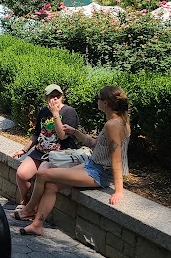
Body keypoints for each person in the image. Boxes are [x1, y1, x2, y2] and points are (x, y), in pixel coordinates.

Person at [13, 86, 130, 236]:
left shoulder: (112, 125)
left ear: (106, 103)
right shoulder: (116, 121)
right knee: (51, 186)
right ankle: (37, 225)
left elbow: (117, 159)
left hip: (99, 173)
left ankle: (28, 210)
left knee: (43, 174)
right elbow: (95, 144)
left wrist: (119, 191)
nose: (97, 101)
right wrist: (75, 132)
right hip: (92, 165)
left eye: (99, 99)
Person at [11, 84, 79, 207]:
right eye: (51, 97)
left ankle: (32, 209)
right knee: (21, 174)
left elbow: (63, 135)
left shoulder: (69, 112)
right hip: (40, 151)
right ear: (46, 98)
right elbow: (36, 134)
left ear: (62, 97)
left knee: (41, 178)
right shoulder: (43, 111)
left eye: (57, 96)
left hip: (59, 154)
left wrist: (55, 115)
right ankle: (24, 202)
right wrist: (24, 150)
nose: (54, 99)